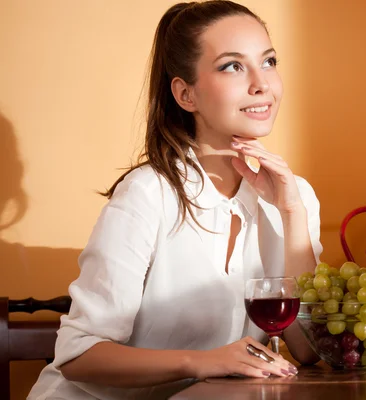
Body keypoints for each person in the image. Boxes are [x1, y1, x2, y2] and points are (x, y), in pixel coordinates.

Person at [28, 1, 322, 399]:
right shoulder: (149, 194)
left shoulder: (294, 196)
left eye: (268, 61)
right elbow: (79, 354)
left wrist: (292, 214)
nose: (262, 83)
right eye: (232, 66)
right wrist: (202, 361)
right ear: (186, 94)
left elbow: (307, 349)